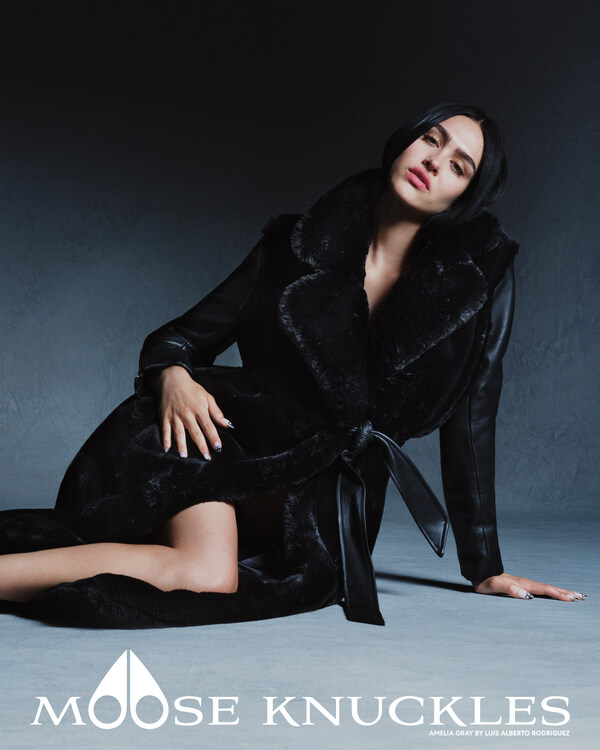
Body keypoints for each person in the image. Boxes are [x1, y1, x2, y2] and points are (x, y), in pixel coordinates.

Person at [0, 102, 586, 628]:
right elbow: (179, 338)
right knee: (206, 574)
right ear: (405, 142)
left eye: (458, 166)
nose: (434, 162)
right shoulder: (291, 248)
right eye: (430, 140)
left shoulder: (477, 285)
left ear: (464, 198)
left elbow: (472, 423)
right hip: (207, 442)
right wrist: (173, 377)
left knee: (246, 574)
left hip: (322, 497)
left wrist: (484, 567)